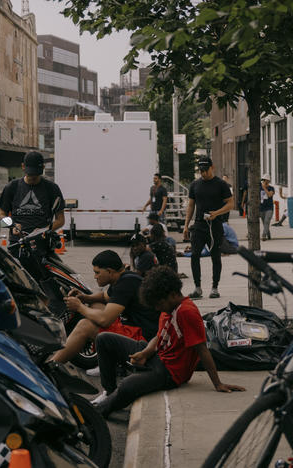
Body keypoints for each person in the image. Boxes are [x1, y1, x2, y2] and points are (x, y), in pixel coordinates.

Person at [91, 266, 245, 417]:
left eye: (159, 304)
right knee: (104, 339)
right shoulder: (167, 308)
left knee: (127, 385)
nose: (157, 308)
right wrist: (145, 352)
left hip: (169, 372)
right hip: (156, 355)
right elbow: (159, 336)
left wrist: (217, 383)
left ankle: (97, 414)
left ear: (171, 295)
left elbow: (202, 349)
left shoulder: (186, 312)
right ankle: (109, 392)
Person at [51, 250, 159, 364]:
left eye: (97, 273)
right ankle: (105, 357)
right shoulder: (125, 277)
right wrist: (85, 298)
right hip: (135, 326)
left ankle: (53, 365)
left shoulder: (126, 283)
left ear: (109, 271)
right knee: (96, 305)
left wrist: (79, 307)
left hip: (145, 339)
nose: (95, 277)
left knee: (85, 326)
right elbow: (104, 296)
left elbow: (105, 320)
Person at [183, 157, 233, 299]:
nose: (203, 173)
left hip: (215, 225)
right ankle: (197, 288)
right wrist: (186, 225)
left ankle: (215, 287)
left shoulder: (221, 184)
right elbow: (191, 205)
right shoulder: (195, 185)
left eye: (205, 170)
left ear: (212, 168)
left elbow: (230, 204)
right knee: (194, 255)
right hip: (199, 225)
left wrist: (216, 213)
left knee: (215, 256)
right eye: (201, 171)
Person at [0, 151, 65, 238]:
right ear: (23, 167)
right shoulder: (12, 187)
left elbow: (60, 220)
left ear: (43, 168)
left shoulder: (52, 188)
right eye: (30, 174)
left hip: (43, 243)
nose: (33, 177)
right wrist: (13, 225)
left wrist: (45, 230)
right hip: (17, 243)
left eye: (36, 174)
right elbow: (1, 215)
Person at [260, 174, 275, 241]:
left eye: (265, 180)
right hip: (261, 208)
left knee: (266, 221)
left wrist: (264, 188)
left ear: (268, 181)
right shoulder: (259, 188)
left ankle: (264, 235)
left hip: (269, 208)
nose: (263, 182)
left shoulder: (271, 188)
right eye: (262, 180)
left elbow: (269, 195)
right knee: (265, 223)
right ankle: (268, 234)